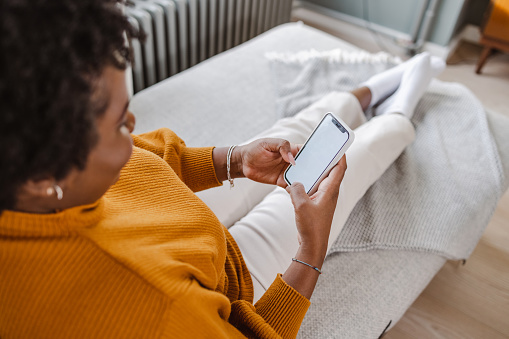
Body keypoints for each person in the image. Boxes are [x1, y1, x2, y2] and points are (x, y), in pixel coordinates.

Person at [0, 0, 445, 338]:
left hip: (171, 223)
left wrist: (235, 160)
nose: (133, 126)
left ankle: (361, 95)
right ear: (44, 180)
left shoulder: (34, 167)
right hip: (224, 278)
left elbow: (146, 158)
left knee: (286, 138)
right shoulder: (161, 307)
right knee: (342, 175)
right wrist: (312, 248)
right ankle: (398, 117)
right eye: (119, 123)